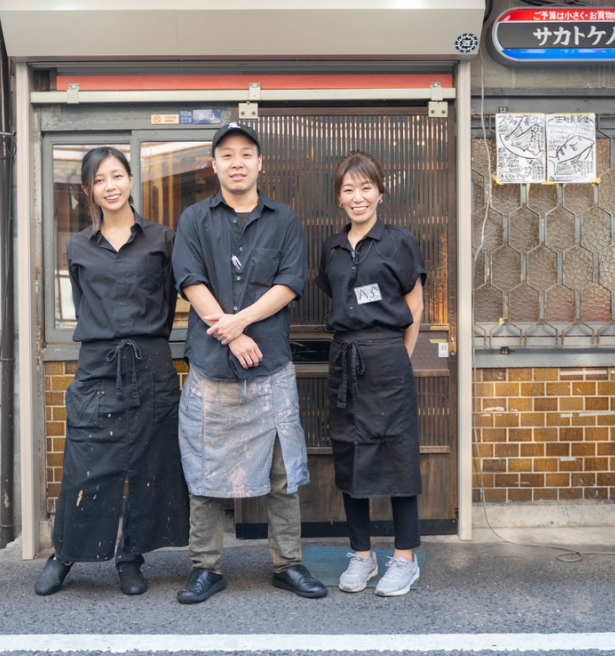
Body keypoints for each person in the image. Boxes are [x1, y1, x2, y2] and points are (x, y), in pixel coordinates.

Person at [171, 122, 327, 603]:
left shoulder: (284, 219)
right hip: (211, 370)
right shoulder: (195, 219)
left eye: (246, 154)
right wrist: (231, 335)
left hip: (271, 367)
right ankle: (206, 567)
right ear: (214, 165)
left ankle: (288, 563)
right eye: (227, 154)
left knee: (283, 472)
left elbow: (291, 282)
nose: (237, 162)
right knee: (204, 473)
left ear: (260, 164)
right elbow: (191, 280)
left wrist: (239, 324)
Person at [34, 146, 189, 597]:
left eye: (117, 176)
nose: (111, 186)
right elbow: (84, 303)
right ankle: (64, 555)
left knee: (147, 463)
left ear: (131, 180)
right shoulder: (78, 246)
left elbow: (169, 299)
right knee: (86, 460)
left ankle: (130, 556)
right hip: (99, 361)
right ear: (88, 190)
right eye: (100, 180)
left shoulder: (162, 239)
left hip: (151, 360)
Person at [315, 150, 426, 598]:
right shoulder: (332, 247)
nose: (357, 197)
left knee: (398, 455)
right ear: (339, 197)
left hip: (388, 359)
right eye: (348, 189)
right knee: (351, 454)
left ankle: (405, 558)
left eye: (365, 188)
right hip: (344, 359)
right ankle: (361, 555)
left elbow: (414, 305)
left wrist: (398, 356)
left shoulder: (399, 242)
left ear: (381, 191)